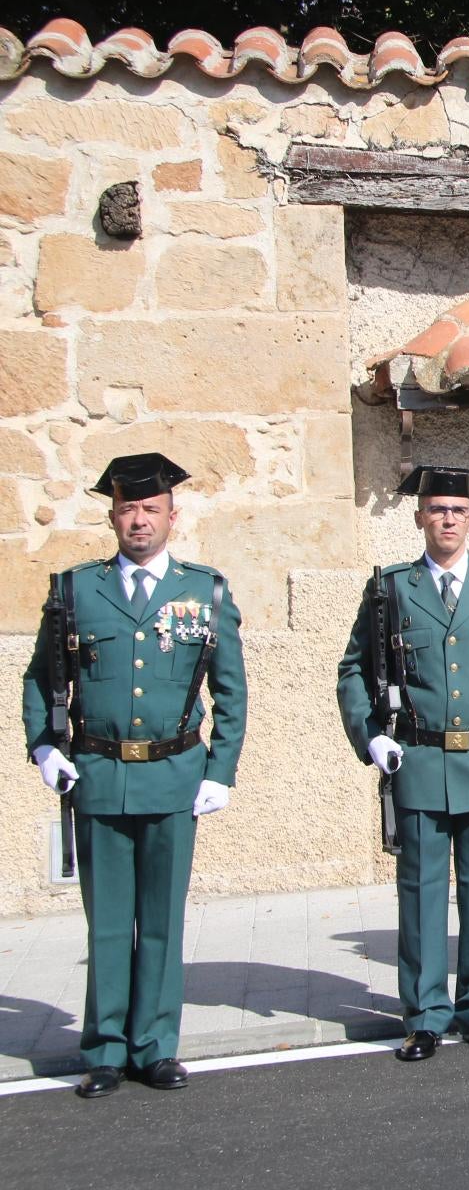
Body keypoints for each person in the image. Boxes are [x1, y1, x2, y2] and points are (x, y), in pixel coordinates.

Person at [21, 453, 246, 1098]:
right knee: (110, 922)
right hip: (96, 774)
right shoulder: (75, 590)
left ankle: (155, 1046)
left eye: (151, 509)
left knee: (163, 918)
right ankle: (104, 1049)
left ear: (172, 517)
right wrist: (44, 748)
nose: (139, 519)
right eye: (128, 509)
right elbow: (41, 677)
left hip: (175, 775)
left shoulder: (205, 591)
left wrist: (220, 769)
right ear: (113, 516)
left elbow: (231, 690)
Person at [335, 466, 469, 1061]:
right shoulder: (391, 589)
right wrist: (371, 737)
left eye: (458, 510)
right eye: (437, 510)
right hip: (421, 762)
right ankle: (424, 1015)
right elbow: (354, 668)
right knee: (421, 893)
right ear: (420, 517)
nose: (448, 519)